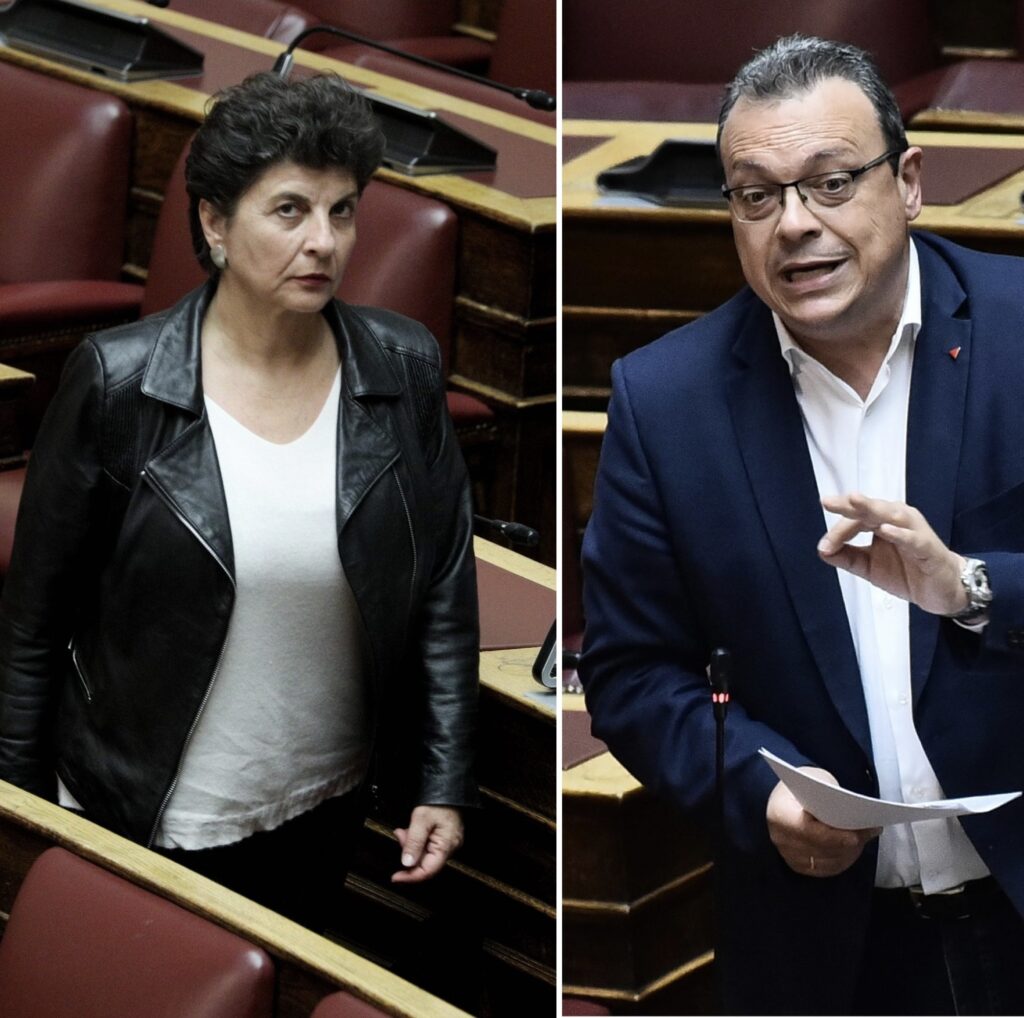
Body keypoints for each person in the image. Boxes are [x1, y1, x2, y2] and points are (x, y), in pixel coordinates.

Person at [580, 34, 1024, 1016]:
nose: (793, 225)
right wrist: (760, 788)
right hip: (827, 956)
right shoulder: (667, 402)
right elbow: (630, 672)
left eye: (830, 183)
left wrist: (973, 587)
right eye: (756, 196)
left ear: (908, 182)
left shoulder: (1018, 330)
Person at [0, 72, 479, 931]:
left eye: (342, 211)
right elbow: (33, 624)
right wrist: (22, 826)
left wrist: (440, 781)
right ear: (215, 224)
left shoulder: (401, 369)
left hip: (322, 807)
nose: (324, 241)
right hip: (142, 809)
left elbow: (443, 584)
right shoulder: (121, 383)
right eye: (289, 210)